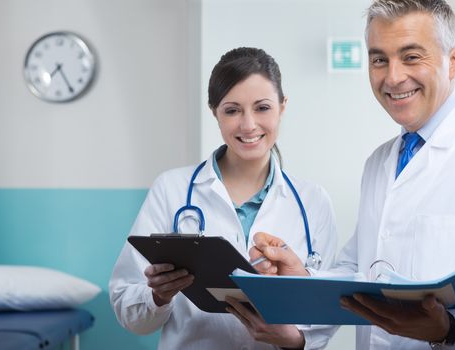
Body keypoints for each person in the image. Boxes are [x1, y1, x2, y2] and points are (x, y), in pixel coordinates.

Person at [251, 0, 455, 349]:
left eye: (411, 57)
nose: (393, 76)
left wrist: (451, 328)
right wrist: (302, 278)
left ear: (453, 61)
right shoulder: (379, 162)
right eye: (379, 59)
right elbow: (362, 269)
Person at [109, 47, 338, 349]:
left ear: (282, 107)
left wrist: (295, 340)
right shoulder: (172, 189)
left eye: (262, 108)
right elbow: (129, 310)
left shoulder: (313, 201)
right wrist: (158, 295)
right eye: (232, 110)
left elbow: (329, 309)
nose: (248, 125)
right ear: (214, 112)